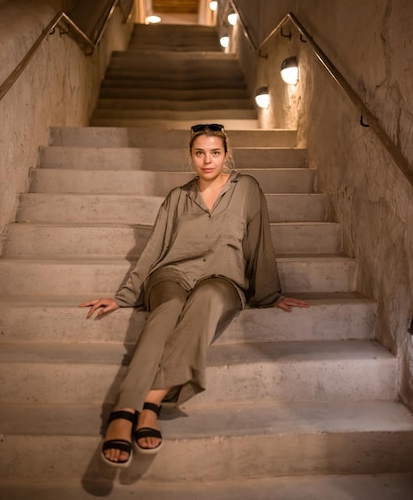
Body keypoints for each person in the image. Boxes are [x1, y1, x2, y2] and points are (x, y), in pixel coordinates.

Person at [80, 123, 310, 467]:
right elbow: (154, 249)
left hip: (223, 277)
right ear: (190, 156)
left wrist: (270, 294)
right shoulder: (177, 197)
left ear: (226, 154)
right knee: (168, 309)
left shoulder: (246, 188)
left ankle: (148, 405)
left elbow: (259, 242)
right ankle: (124, 410)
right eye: (200, 153)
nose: (207, 161)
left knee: (206, 301)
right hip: (171, 274)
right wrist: (125, 295)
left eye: (215, 153)